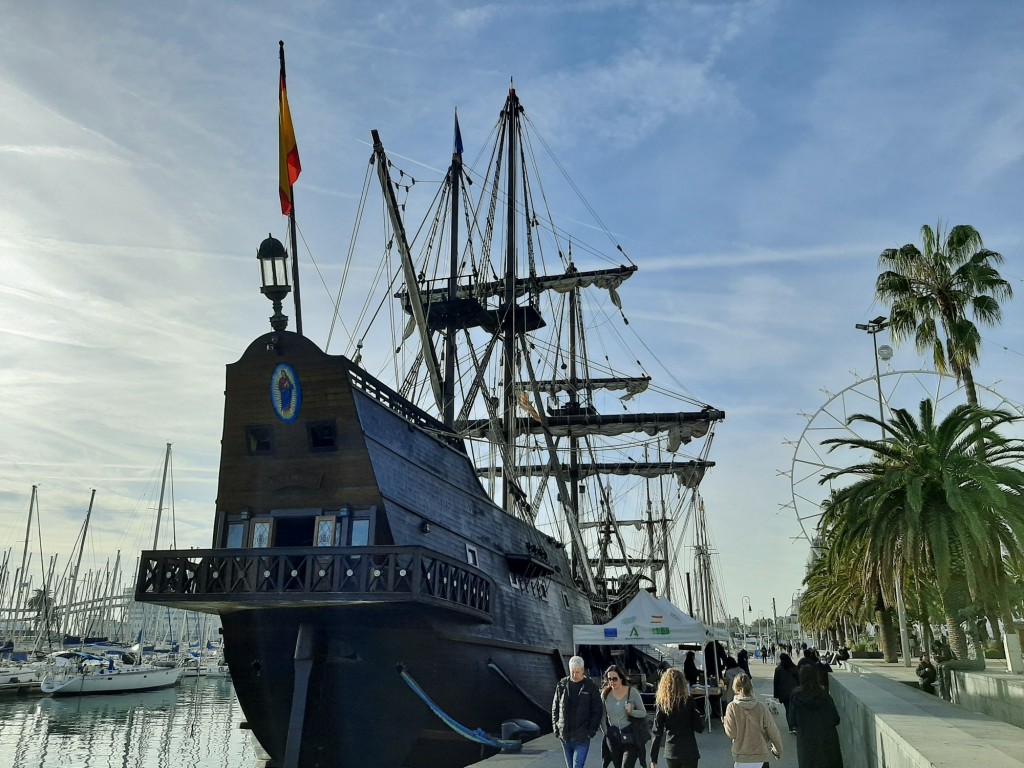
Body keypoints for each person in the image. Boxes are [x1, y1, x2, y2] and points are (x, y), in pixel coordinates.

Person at [723, 672, 783, 768]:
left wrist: (726, 723)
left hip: (741, 757)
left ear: (735, 688)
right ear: (750, 687)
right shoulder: (761, 707)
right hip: (761, 756)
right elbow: (773, 731)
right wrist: (778, 750)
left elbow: (732, 734)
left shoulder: (732, 707)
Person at [553, 656, 604, 768]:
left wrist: (591, 731)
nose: (575, 675)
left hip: (582, 736)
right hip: (565, 736)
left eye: (577, 672)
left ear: (583, 670)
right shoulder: (562, 685)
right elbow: (555, 708)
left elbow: (597, 710)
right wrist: (556, 728)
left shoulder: (590, 687)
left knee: (577, 766)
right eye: (572, 672)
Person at [649, 667, 705, 768]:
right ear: (683, 684)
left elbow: (657, 732)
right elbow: (699, 728)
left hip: (671, 751)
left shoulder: (663, 704)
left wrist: (653, 759)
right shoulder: (689, 701)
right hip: (689, 750)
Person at [789, 664, 843, 768]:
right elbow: (836, 719)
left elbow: (792, 722)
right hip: (827, 739)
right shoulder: (824, 695)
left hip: (806, 739)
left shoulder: (795, 697)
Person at [601, 664, 649, 768]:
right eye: (609, 679)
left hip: (631, 736)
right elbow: (602, 715)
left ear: (621, 679)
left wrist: (631, 712)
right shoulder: (605, 694)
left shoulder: (632, 692)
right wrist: (606, 731)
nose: (612, 682)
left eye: (615, 679)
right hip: (613, 737)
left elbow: (643, 713)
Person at [772, 652, 800, 731]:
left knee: (788, 710)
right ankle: (796, 725)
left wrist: (776, 695)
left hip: (783, 693)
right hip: (795, 692)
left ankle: (791, 727)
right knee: (795, 709)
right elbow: (799, 680)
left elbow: (776, 682)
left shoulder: (778, 669)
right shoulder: (794, 668)